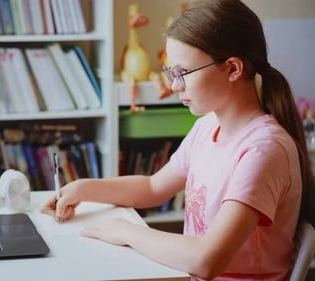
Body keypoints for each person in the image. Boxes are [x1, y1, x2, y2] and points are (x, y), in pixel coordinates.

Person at [41, 0, 315, 280]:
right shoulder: (207, 127)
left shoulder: (264, 150)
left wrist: (125, 232)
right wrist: (84, 189)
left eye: (183, 72)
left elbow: (207, 260)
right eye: (171, 73)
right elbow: (152, 187)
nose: (174, 86)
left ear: (233, 68)